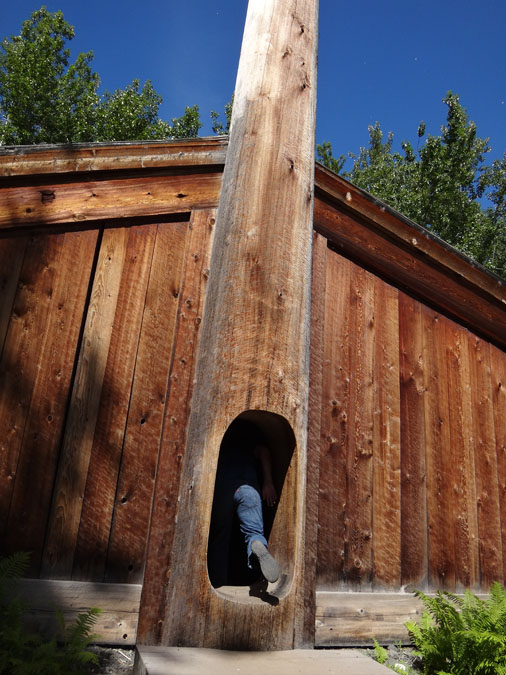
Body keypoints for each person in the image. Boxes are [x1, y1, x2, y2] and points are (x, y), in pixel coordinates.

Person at [207, 418, 280, 588]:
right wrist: (268, 482)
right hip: (249, 488)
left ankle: (218, 582)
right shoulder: (250, 435)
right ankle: (256, 545)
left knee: (220, 537)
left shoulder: (220, 436)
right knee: (254, 532)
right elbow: (263, 451)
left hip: (223, 487)